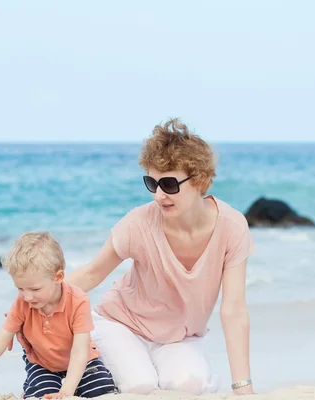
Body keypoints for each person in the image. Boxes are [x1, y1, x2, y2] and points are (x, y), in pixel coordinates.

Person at [65, 118, 255, 395]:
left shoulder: (232, 227)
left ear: (201, 180)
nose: (158, 195)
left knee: (188, 385)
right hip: (122, 325)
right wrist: (36, 300)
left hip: (179, 338)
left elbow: (234, 310)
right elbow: (93, 272)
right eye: (151, 183)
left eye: (169, 184)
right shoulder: (138, 223)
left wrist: (243, 388)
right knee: (139, 385)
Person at [0, 231, 118, 399]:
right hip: (43, 362)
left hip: (82, 359)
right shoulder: (22, 302)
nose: (27, 296)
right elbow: (1, 338)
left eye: (35, 289)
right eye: (20, 288)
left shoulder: (78, 301)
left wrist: (66, 392)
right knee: (41, 395)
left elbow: (79, 352)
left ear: (58, 277)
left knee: (101, 391)